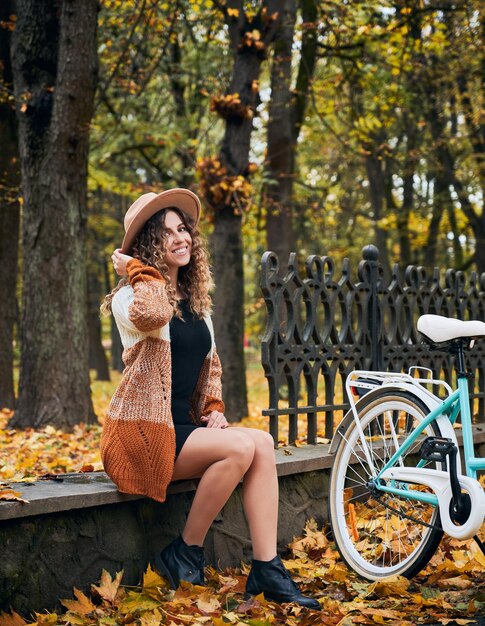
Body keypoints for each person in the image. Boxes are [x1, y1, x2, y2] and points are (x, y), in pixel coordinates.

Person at [100, 188, 319, 610]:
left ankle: (267, 567)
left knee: (261, 443)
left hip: (184, 427)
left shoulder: (198, 305)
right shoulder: (132, 297)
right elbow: (153, 315)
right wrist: (139, 272)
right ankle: (185, 550)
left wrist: (214, 411)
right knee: (240, 447)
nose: (181, 237)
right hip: (144, 435)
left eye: (183, 228)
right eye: (166, 233)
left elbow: (210, 371)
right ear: (147, 245)